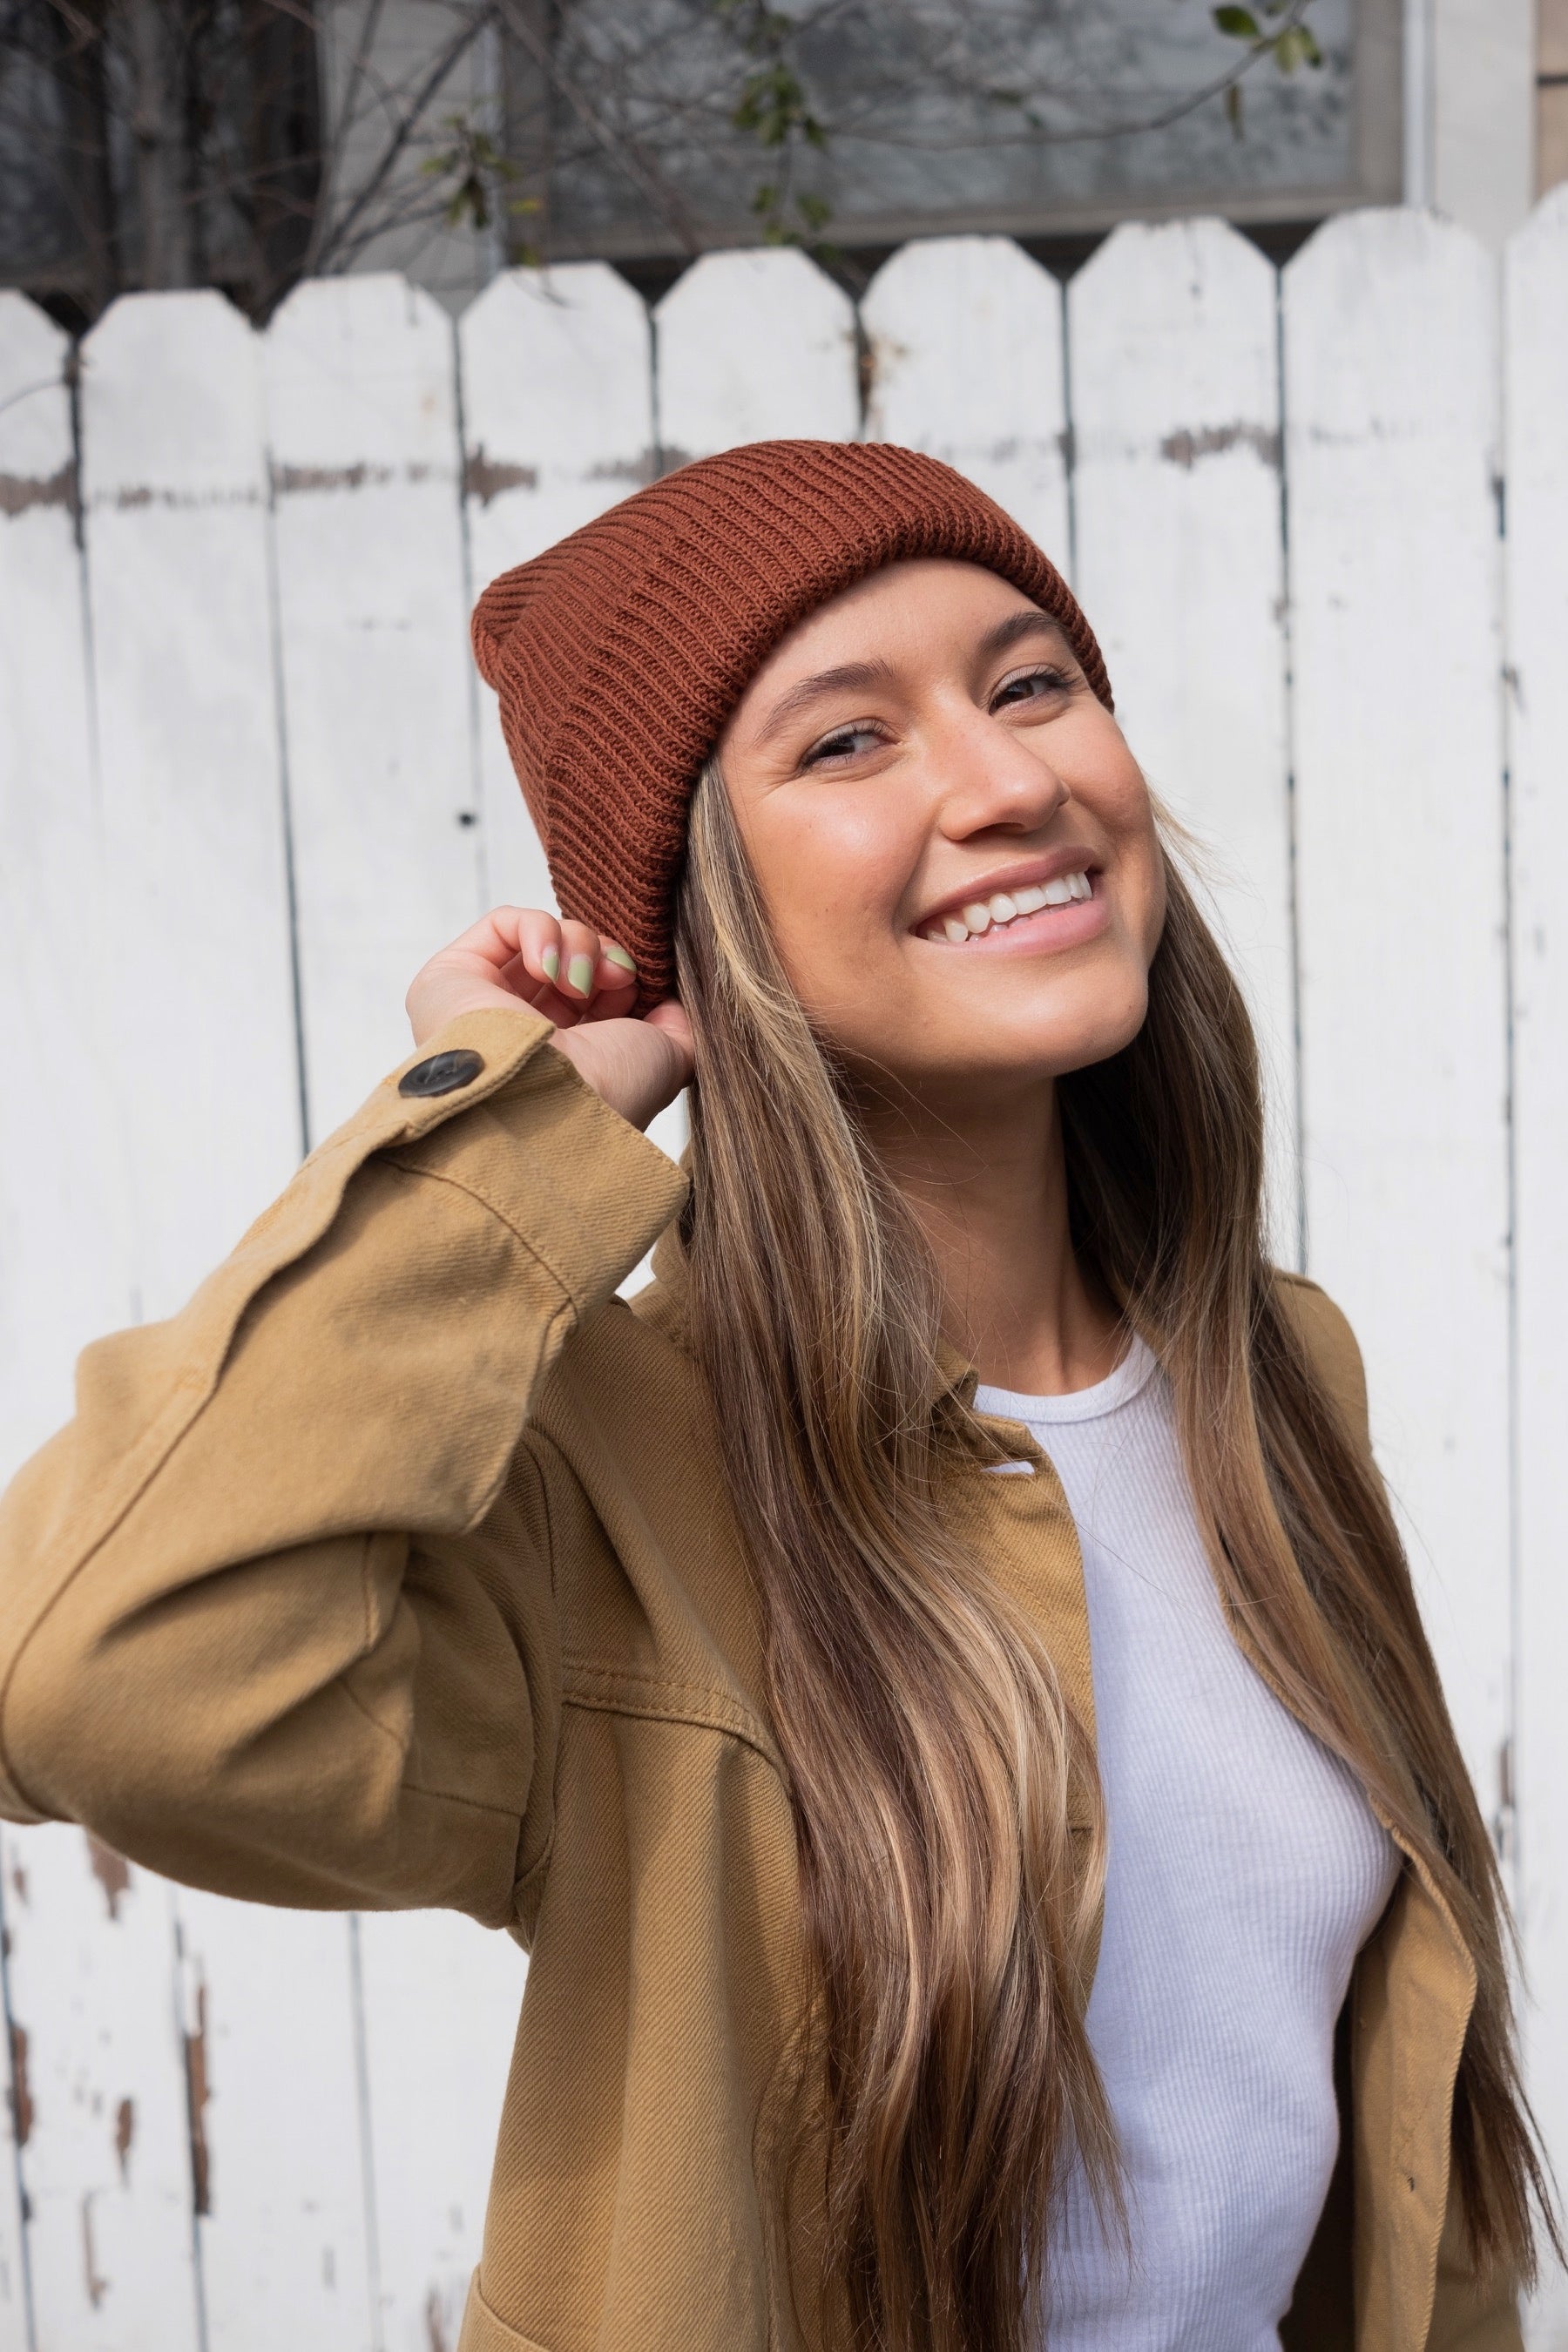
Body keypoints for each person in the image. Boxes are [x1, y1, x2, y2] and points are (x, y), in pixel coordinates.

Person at [0, 442, 1554, 2352]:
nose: (1008, 783)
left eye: (1032, 681)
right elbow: (92, 1675)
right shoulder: (607, 1472)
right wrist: (512, 1136)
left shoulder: (1277, 1374)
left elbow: (1397, 2143)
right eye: (846, 743)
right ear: (694, 914)